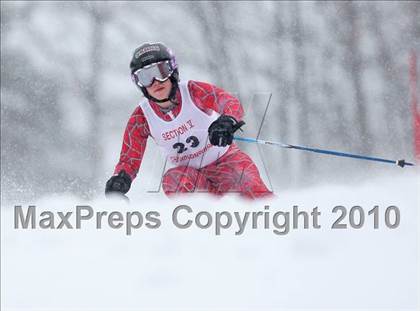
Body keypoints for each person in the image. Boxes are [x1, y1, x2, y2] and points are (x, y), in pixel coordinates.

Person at [105, 42, 271, 199]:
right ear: (139, 84)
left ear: (172, 70)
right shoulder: (142, 117)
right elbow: (129, 159)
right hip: (191, 178)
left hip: (227, 162)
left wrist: (227, 121)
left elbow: (228, 101)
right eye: (146, 77)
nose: (155, 82)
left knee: (254, 192)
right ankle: (207, 221)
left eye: (161, 71)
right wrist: (121, 179)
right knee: (173, 181)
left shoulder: (192, 91)